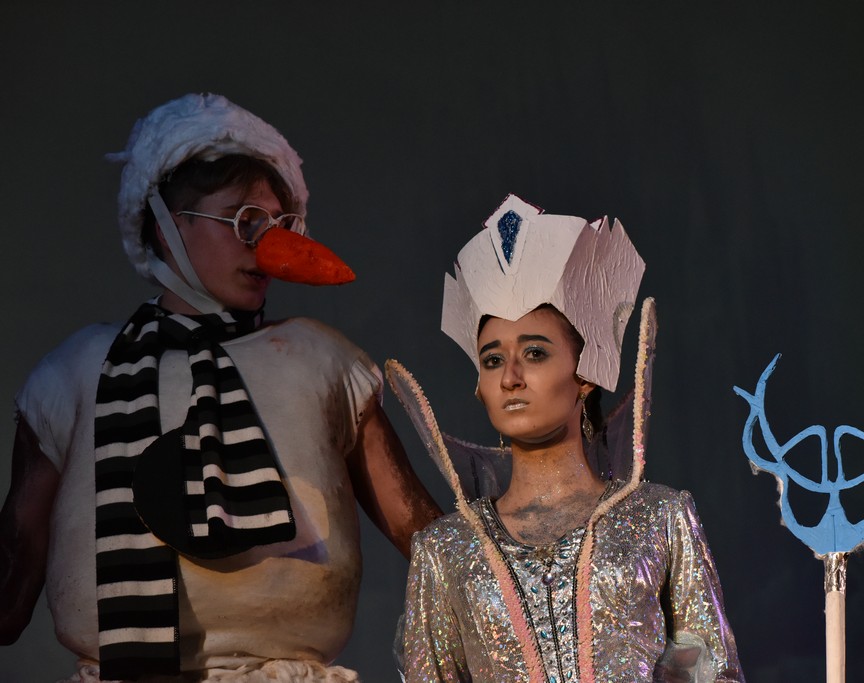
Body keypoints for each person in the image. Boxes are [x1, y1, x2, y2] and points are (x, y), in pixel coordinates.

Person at [0, 93, 440, 682]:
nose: (269, 247)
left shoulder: (322, 359)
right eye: (244, 221)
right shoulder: (77, 369)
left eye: (281, 226)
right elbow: (12, 573)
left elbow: (432, 544)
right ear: (166, 226)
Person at [387, 194, 744, 682]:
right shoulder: (446, 550)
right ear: (479, 385)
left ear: (586, 373)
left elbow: (715, 673)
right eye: (492, 360)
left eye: (534, 354)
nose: (510, 377)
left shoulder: (659, 518)